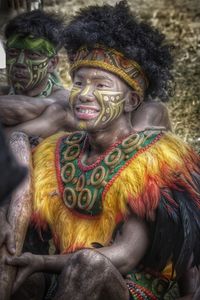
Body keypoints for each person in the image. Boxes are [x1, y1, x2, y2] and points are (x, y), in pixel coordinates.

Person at [5, 1, 200, 299]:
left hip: (127, 286)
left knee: (89, 264)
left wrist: (43, 261)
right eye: (79, 82)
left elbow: (125, 256)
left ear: (132, 102)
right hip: (64, 279)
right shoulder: (55, 151)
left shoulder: (150, 159)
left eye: (101, 85)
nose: (84, 94)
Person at [0, 9, 75, 140]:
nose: (20, 62)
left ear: (52, 63)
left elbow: (19, 110)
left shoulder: (63, 97)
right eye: (13, 53)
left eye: (33, 55)